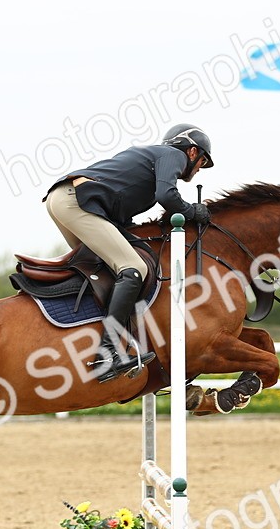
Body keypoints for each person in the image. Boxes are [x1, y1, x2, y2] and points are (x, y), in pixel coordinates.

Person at [43, 123, 214, 382]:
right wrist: (192, 211)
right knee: (134, 269)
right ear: (192, 152)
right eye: (203, 161)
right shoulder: (173, 155)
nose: (200, 168)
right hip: (75, 202)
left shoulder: (150, 160)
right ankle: (106, 353)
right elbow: (167, 195)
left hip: (64, 199)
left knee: (104, 269)